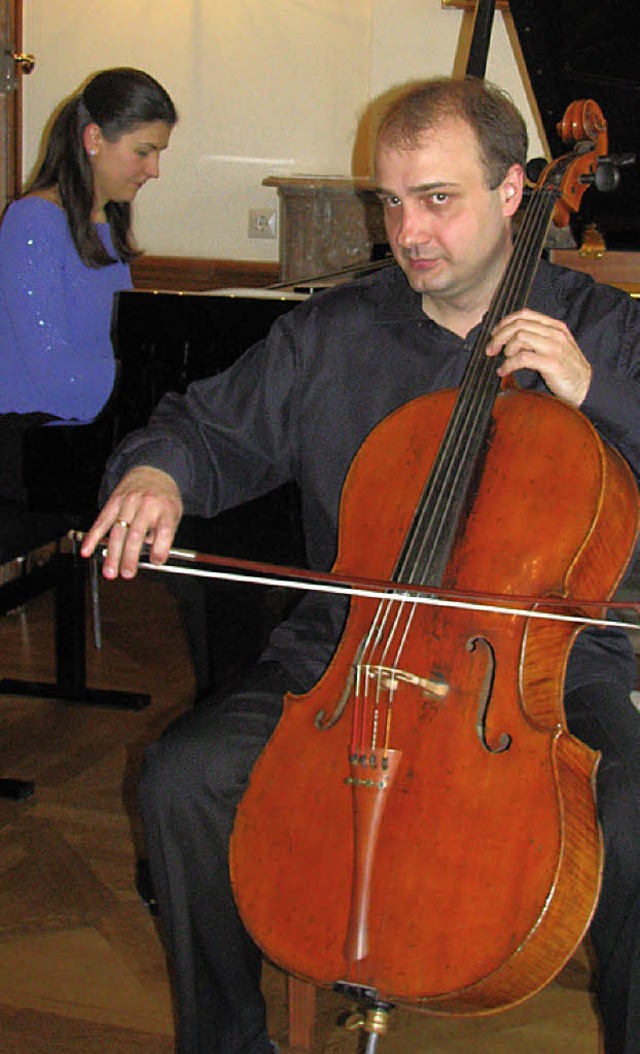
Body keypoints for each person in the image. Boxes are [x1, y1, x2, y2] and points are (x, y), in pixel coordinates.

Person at [81, 76, 640, 1054]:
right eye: (390, 200)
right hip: (348, 648)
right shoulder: (333, 332)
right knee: (184, 777)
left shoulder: (605, 329)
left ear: (514, 192)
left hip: (548, 665)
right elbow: (203, 425)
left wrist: (597, 394)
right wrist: (158, 476)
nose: (407, 231)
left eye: (437, 199)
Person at [0, 66, 177, 500]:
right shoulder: (32, 221)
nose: (154, 169)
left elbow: (116, 343)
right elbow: (56, 375)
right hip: (31, 442)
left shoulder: (107, 222)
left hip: (83, 435)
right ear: (94, 139)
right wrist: (153, 395)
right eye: (144, 151)